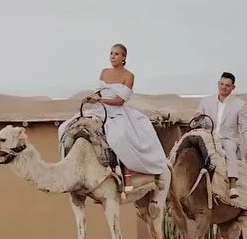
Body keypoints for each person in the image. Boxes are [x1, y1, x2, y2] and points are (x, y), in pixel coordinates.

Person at [57, 43, 168, 191]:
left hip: (117, 112)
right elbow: (98, 93)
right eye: (111, 53)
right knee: (65, 127)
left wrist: (100, 100)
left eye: (116, 54)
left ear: (123, 58)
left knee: (118, 136)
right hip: (99, 110)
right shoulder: (104, 72)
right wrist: (91, 98)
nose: (112, 56)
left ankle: (125, 172)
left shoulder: (129, 76)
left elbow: (120, 101)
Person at [194, 71, 247, 200]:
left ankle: (232, 186)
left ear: (233, 88)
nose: (223, 87)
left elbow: (245, 127)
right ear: (218, 84)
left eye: (227, 85)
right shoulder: (206, 101)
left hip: (228, 138)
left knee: (229, 150)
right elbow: (198, 120)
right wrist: (197, 118)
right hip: (208, 136)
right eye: (222, 84)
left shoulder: (239, 105)